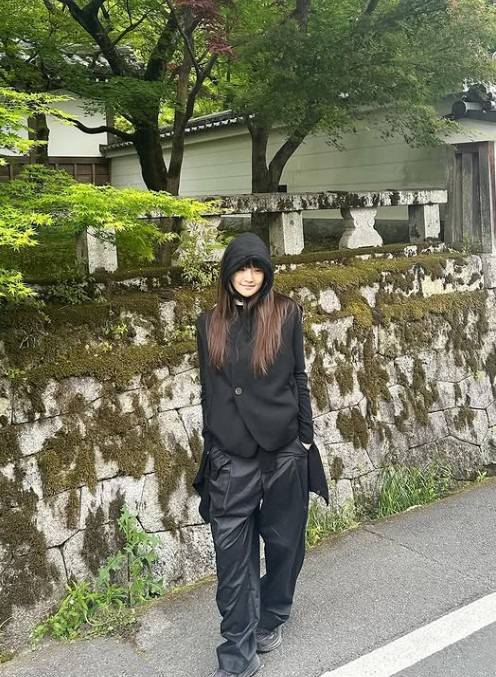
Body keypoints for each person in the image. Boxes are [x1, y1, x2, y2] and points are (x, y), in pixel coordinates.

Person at [192, 232, 329, 677]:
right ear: (227, 272)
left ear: (266, 273)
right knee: (232, 556)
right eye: (241, 268)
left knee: (285, 544)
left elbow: (299, 376)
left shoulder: (287, 313)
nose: (249, 277)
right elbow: (208, 391)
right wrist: (212, 447)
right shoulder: (208, 323)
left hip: (283, 450)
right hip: (231, 457)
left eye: (257, 268)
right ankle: (237, 654)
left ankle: (271, 614)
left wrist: (304, 439)